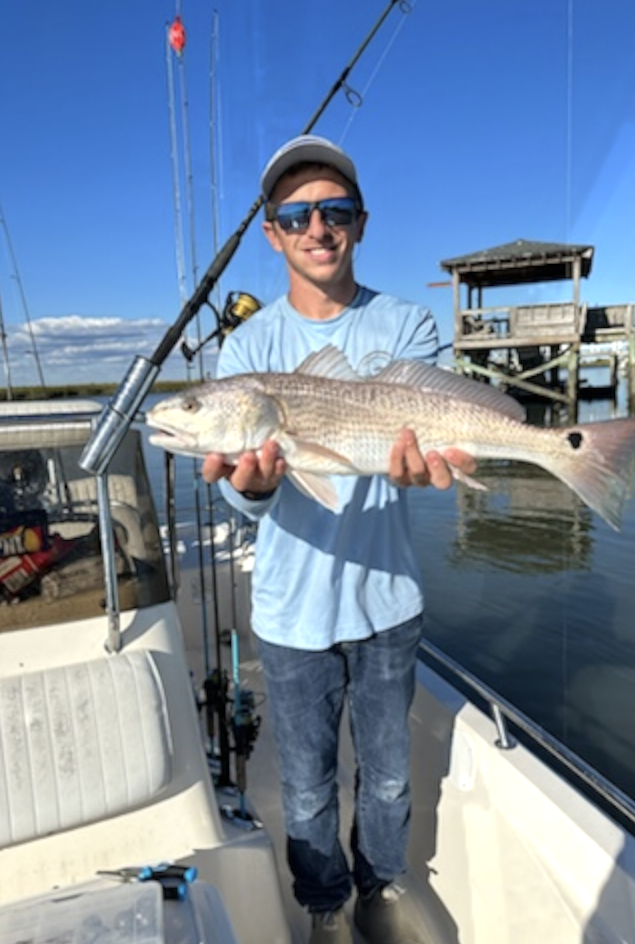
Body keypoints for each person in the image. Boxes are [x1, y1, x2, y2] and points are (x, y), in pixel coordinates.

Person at [202, 134, 475, 944]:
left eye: (335, 211)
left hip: (389, 601)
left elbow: (428, 446)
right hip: (291, 615)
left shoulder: (407, 323)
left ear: (360, 222)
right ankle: (325, 905)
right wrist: (249, 491)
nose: (317, 227)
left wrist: (428, 465)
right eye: (296, 215)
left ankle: (380, 888)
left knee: (389, 779)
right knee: (310, 786)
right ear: (272, 233)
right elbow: (247, 495)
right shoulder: (248, 353)